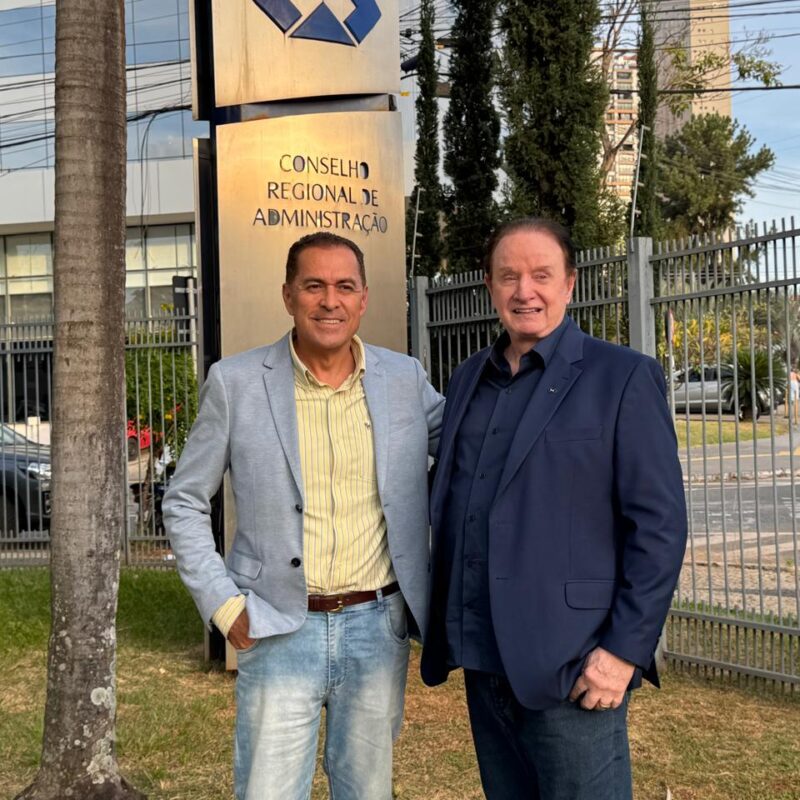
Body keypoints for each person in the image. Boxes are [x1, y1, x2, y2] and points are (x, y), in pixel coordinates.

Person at [163, 231, 444, 800]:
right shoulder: (236, 383)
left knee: (367, 791)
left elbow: (471, 452)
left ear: (363, 298)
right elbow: (184, 499)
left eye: (344, 286)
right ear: (288, 295)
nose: (329, 301)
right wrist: (222, 604)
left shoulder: (404, 379)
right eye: (314, 285)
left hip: (377, 626)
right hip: (277, 627)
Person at [421, 217, 687, 800]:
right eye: (508, 276)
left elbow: (660, 528)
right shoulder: (467, 379)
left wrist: (622, 652)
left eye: (541, 275)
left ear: (569, 284)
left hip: (575, 664)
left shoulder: (622, 377)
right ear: (489, 286)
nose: (525, 291)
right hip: (483, 660)